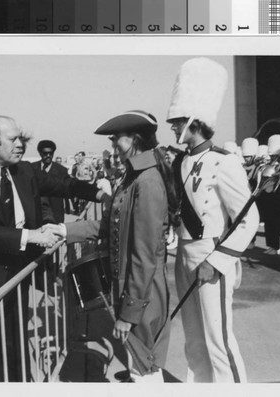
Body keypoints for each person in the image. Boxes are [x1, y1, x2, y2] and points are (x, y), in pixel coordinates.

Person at [0, 113, 106, 382]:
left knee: (15, 349)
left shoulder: (25, 172)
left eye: (20, 138)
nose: (21, 144)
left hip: (18, 281)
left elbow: (64, 185)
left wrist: (100, 193)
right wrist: (29, 236)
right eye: (12, 139)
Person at [59, 110, 178, 382]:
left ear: (135, 139)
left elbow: (144, 256)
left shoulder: (147, 181)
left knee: (144, 371)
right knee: (140, 368)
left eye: (117, 141)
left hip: (143, 293)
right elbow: (110, 227)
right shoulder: (134, 177)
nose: (113, 148)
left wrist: (129, 313)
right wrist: (64, 230)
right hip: (131, 289)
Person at [166, 57, 259, 382]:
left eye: (177, 122)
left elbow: (248, 219)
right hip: (184, 257)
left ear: (194, 121)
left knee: (218, 340)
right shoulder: (180, 163)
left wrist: (217, 261)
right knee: (193, 339)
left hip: (211, 257)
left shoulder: (225, 162)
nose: (174, 128)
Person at [32, 139, 71, 223]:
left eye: (51, 153)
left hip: (56, 212)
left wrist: (67, 208)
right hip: (37, 212)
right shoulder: (32, 168)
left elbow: (66, 191)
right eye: (45, 153)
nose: (48, 156)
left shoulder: (61, 170)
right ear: (40, 153)